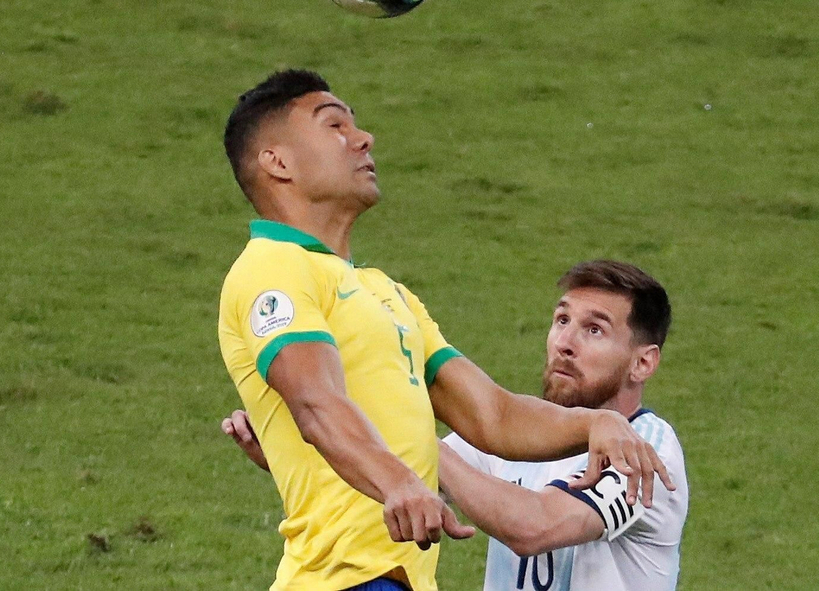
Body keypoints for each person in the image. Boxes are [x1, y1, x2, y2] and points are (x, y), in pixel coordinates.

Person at [217, 70, 672, 591]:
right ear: (277, 162)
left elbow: (493, 415)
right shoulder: (271, 269)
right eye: (335, 126)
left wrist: (594, 424)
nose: (364, 139)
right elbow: (316, 403)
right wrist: (398, 481)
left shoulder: (388, 294)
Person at [227, 259, 688, 591]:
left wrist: (416, 442)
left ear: (643, 363)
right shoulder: (525, 440)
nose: (565, 342)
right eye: (562, 319)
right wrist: (294, 450)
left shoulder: (645, 451)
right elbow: (398, 489)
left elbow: (535, 527)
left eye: (594, 330)